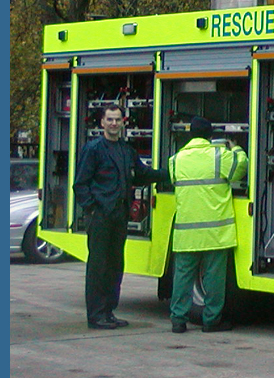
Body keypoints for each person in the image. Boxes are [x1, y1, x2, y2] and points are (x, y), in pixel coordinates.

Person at [72, 103, 169, 329]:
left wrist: (171, 173)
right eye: (110, 120)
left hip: (120, 215)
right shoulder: (94, 149)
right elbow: (80, 184)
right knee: (98, 266)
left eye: (118, 120)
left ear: (123, 123)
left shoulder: (127, 150)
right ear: (102, 123)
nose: (114, 123)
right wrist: (93, 209)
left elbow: (142, 174)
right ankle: (96, 316)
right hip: (101, 215)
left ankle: (109, 311)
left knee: (116, 265)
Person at [168, 116, 248, 333]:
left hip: (186, 233)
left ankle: (178, 320)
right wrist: (237, 148)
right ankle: (211, 321)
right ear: (211, 136)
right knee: (214, 279)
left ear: (190, 134)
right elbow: (241, 167)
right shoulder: (219, 156)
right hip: (215, 232)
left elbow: (174, 181)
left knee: (183, 278)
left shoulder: (176, 159)